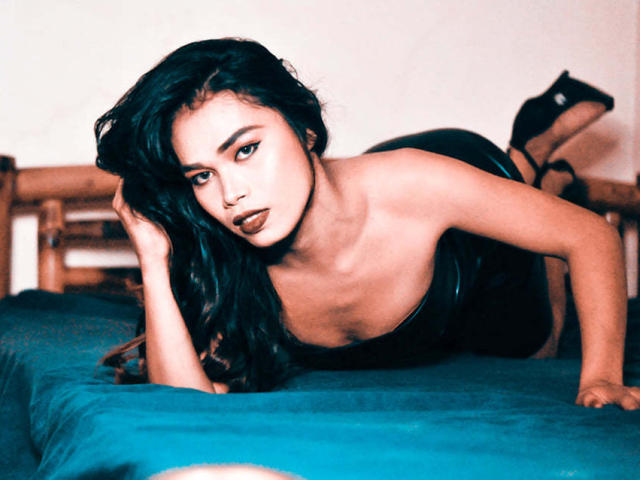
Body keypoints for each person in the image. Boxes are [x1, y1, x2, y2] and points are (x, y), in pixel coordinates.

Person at [95, 38, 639, 410]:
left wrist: (601, 378)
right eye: (200, 175)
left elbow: (590, 234)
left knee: (537, 346)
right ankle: (534, 168)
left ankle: (529, 162)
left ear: (306, 130)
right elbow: (182, 407)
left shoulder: (416, 184)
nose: (230, 194)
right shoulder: (222, 252)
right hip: (356, 202)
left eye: (246, 150)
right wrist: (152, 254)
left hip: (460, 240)